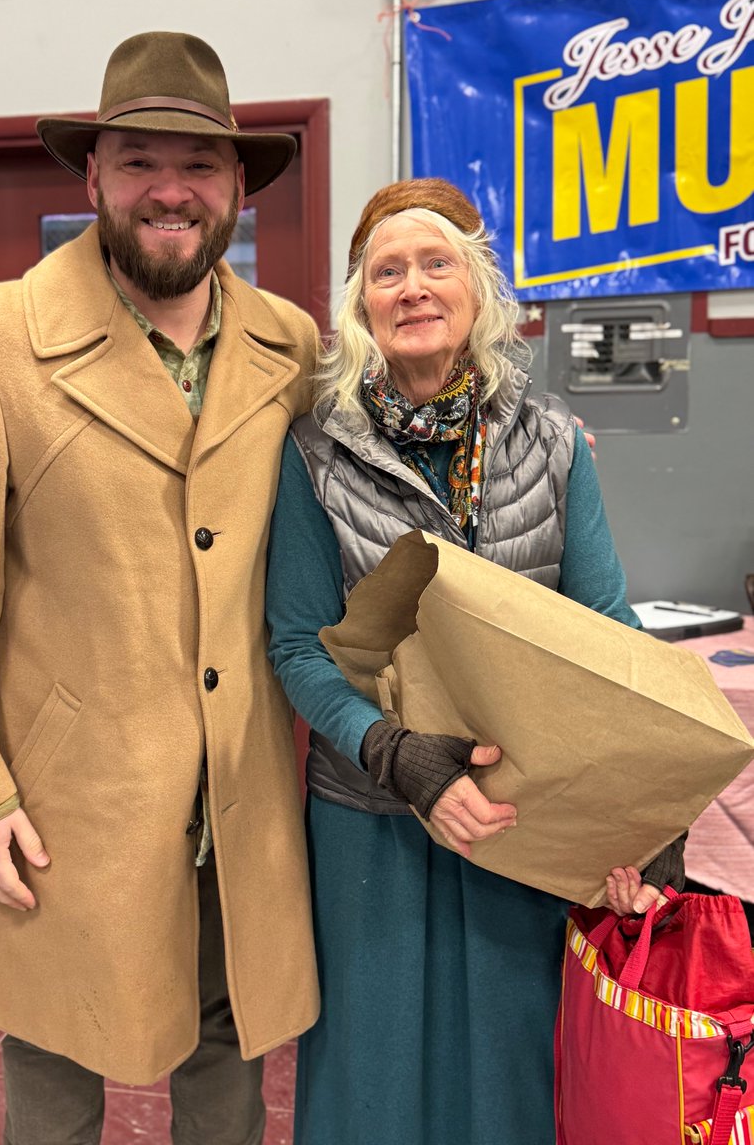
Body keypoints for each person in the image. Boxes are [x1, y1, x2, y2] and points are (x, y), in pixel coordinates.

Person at [0, 31, 320, 1145]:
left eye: (200, 166)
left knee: (229, 1053)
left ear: (236, 187)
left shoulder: (289, 345)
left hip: (242, 792)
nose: (170, 191)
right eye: (137, 161)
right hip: (65, 801)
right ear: (92, 178)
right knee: (54, 1061)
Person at [264, 178, 685, 1145]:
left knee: (512, 1076)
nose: (412, 287)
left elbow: (609, 633)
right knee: (373, 1082)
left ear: (479, 291)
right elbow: (295, 644)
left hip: (522, 816)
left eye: (436, 263)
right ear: (361, 305)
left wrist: (648, 812)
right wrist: (399, 755)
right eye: (387, 271)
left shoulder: (553, 447)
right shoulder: (315, 454)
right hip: (372, 820)